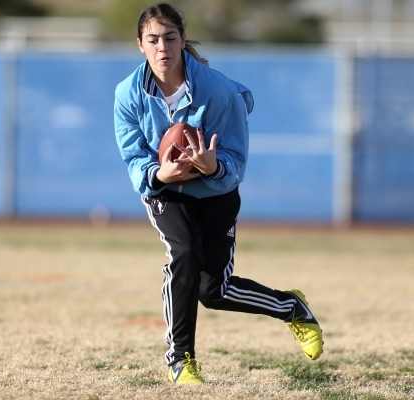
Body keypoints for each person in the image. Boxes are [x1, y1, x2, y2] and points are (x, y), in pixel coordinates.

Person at [113, 2, 323, 385]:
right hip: (167, 188)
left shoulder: (218, 91)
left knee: (213, 290)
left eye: (170, 38)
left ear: (182, 40)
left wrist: (212, 167)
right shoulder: (128, 94)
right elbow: (133, 157)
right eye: (153, 40)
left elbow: (235, 162)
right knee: (184, 254)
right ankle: (181, 357)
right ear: (140, 45)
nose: (163, 48)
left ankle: (290, 306)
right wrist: (162, 172)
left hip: (216, 191)